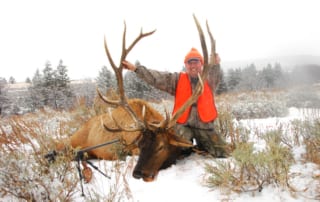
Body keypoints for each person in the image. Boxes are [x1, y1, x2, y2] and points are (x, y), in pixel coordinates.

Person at [122, 48, 228, 158]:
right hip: (183, 127)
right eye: (189, 63)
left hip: (205, 127)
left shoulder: (210, 79)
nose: (193, 66)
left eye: (196, 62)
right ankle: (186, 150)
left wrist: (215, 63)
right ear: (185, 65)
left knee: (223, 153)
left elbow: (215, 71)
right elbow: (156, 78)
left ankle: (202, 146)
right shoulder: (177, 80)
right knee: (173, 151)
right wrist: (135, 69)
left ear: (201, 63)